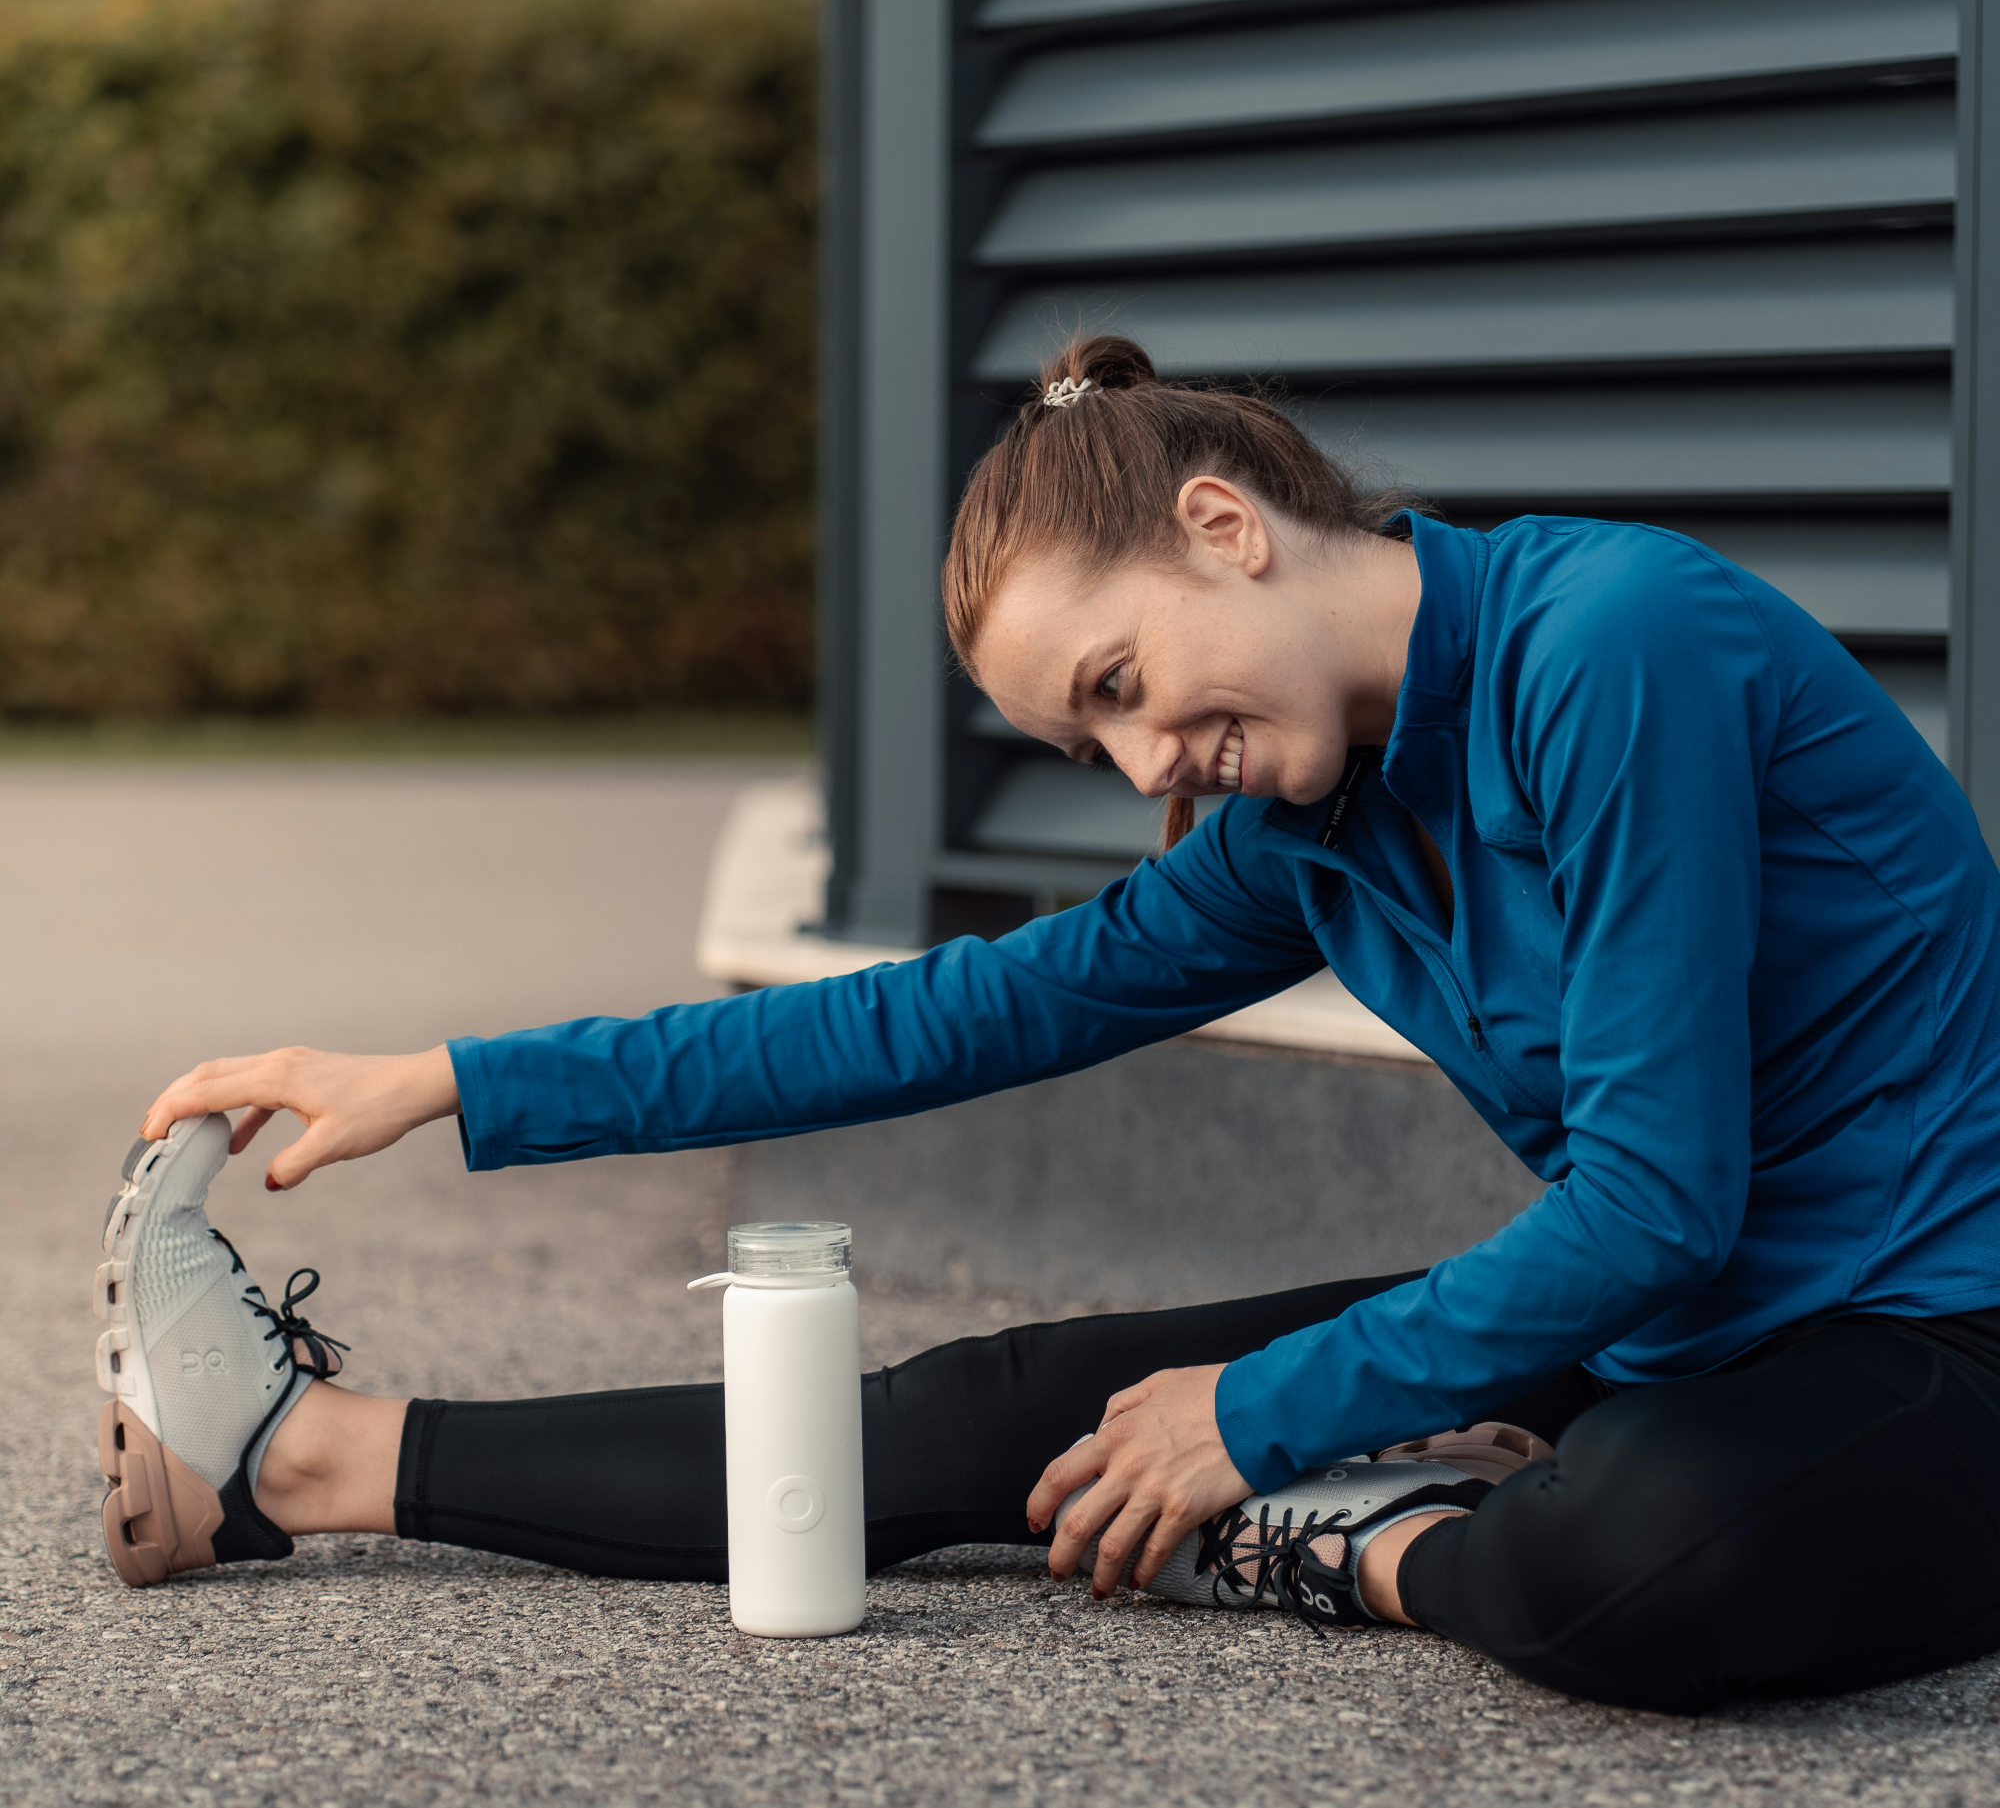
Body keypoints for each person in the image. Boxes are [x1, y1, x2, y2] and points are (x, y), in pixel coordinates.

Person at [94, 335, 2000, 1717]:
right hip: (1672, 1324)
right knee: (1018, 1408)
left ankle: (1359, 1542)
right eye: (1094, 742)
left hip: (1934, 1330)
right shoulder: (1303, 827)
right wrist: (442, 1081)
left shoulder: (1613, 647)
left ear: (1224, 525)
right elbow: (942, 1020)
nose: (1152, 762)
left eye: (1127, 683)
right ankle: (295, 1460)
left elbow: (1659, 1199)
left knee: (1629, 1561)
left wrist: (1262, 1426)